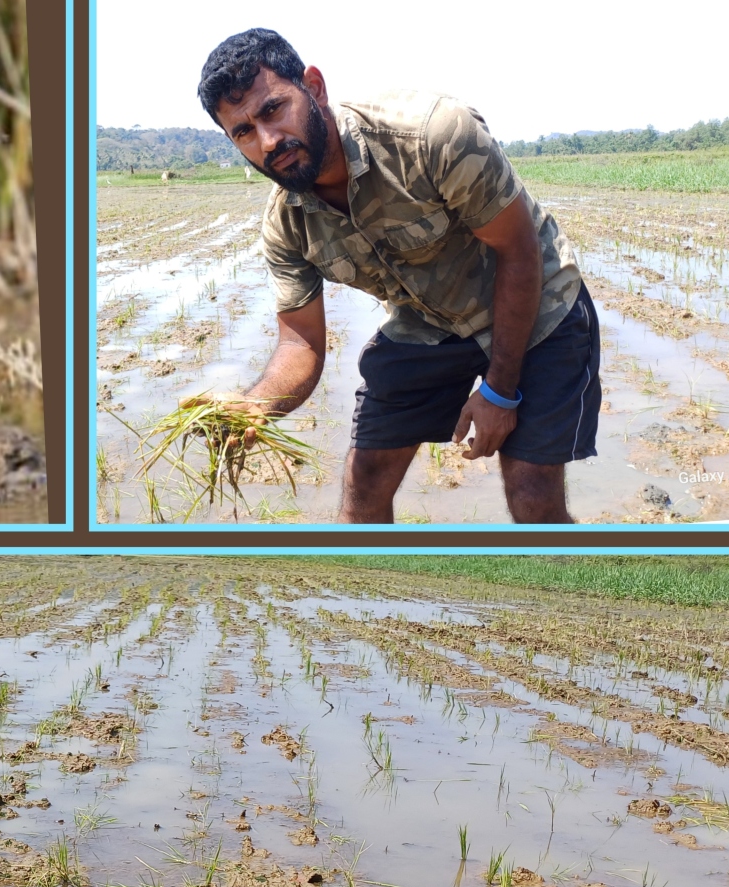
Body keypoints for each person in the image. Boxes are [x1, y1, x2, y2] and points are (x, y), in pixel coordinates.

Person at [193, 29, 599, 523]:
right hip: (428, 321)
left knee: (532, 490)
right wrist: (255, 406)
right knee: (365, 479)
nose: (268, 140)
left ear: (314, 87)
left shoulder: (431, 136)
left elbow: (519, 252)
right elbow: (300, 345)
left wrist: (498, 391)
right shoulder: (286, 224)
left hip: (537, 305)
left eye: (273, 109)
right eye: (243, 132)